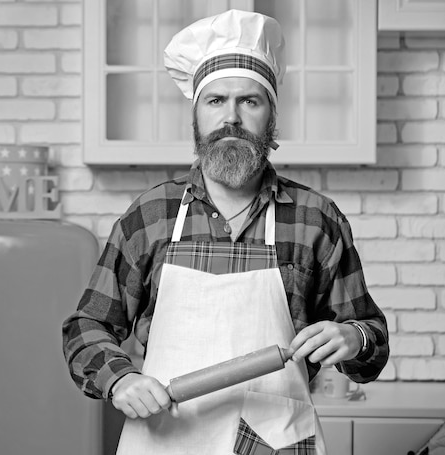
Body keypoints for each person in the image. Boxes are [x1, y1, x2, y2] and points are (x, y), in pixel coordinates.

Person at [63, 9, 388, 455]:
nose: (230, 118)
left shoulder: (316, 218)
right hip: (165, 440)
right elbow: (87, 326)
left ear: (271, 115)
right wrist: (119, 378)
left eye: (249, 101)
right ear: (195, 116)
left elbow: (371, 339)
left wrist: (355, 338)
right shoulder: (151, 214)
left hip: (275, 441)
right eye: (215, 101)